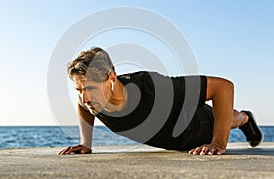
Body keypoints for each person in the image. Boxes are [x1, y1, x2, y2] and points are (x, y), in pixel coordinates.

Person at [58, 47, 263, 155]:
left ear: (112, 78)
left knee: (229, 119)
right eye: (79, 89)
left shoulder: (150, 86)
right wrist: (86, 143)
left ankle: (245, 119)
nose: (85, 97)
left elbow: (223, 87)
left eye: (90, 89)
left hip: (197, 124)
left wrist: (218, 142)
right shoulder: (91, 100)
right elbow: (82, 105)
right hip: (175, 141)